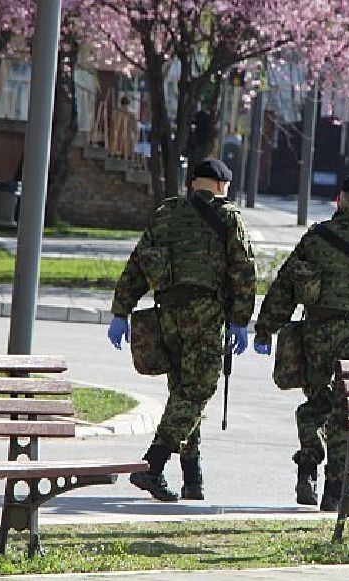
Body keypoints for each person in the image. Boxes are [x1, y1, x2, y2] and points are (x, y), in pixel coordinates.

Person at [252, 175, 349, 511]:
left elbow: (284, 286)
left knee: (317, 402)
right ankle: (334, 489)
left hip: (317, 332)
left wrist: (266, 327)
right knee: (346, 410)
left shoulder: (316, 237)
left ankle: (308, 465)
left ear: (340, 200)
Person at [107, 159, 256, 502]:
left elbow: (137, 264)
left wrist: (121, 310)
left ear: (193, 184)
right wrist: (240, 320)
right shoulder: (228, 216)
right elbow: (244, 271)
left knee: (182, 394)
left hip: (167, 316)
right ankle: (152, 465)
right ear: (221, 186)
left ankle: (193, 476)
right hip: (204, 314)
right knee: (196, 392)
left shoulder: (167, 213)